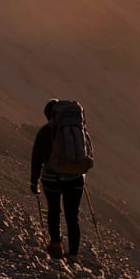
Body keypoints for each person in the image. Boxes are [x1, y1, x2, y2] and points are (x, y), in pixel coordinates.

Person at [31, 99, 88, 259]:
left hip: (51, 178)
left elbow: (37, 159)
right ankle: (74, 254)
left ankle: (56, 247)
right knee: (72, 215)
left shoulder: (45, 132)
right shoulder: (77, 130)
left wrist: (33, 181)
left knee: (54, 211)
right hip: (75, 178)